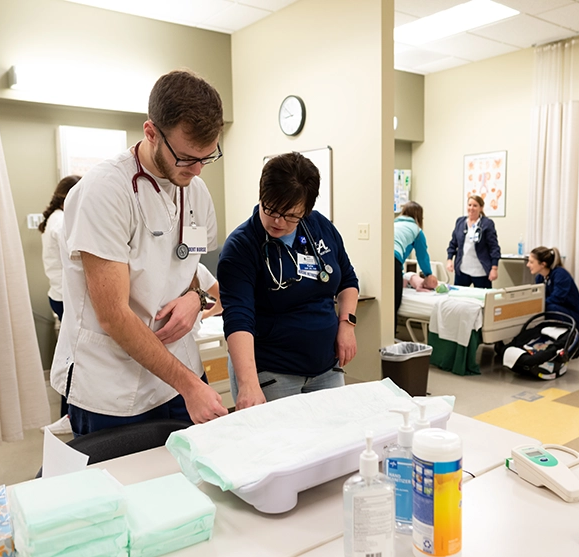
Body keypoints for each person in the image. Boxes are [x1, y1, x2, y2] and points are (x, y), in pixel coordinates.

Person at [50, 70, 228, 436]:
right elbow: (113, 315)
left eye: (206, 158)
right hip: (113, 388)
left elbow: (188, 265)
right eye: (186, 157)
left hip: (178, 371)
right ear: (151, 133)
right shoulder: (105, 191)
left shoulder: (195, 192)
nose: (196, 170)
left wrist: (195, 297)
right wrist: (190, 385)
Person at [218, 152, 359, 409]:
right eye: (270, 208)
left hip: (327, 368)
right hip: (273, 374)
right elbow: (238, 318)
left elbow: (347, 279)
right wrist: (248, 384)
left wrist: (347, 324)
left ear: (306, 210)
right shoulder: (241, 247)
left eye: (291, 215)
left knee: (331, 442)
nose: (277, 221)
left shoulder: (321, 228)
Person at [38, 174, 80, 435]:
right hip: (66, 297)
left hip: (58, 295)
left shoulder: (55, 218)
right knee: (76, 359)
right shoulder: (62, 222)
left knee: (72, 356)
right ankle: (69, 414)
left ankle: (69, 413)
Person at [394, 201, 437, 331]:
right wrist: (428, 274)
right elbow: (422, 256)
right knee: (393, 304)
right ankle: (389, 339)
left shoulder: (393, 224)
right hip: (393, 260)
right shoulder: (416, 231)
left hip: (380, 260)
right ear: (419, 217)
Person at [526, 246, 579, 332]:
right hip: (558, 311)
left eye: (531, 262)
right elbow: (539, 297)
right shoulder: (540, 277)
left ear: (543, 264)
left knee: (548, 307)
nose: (528, 265)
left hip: (574, 318)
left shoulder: (561, 275)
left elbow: (556, 298)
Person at [446, 195, 500, 288]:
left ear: (481, 208)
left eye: (475, 205)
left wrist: (494, 268)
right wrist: (449, 259)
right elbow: (453, 243)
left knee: (482, 300)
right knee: (459, 298)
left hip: (481, 271)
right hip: (462, 270)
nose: (471, 208)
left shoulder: (487, 224)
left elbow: (494, 247)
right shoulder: (460, 222)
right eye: (469, 205)